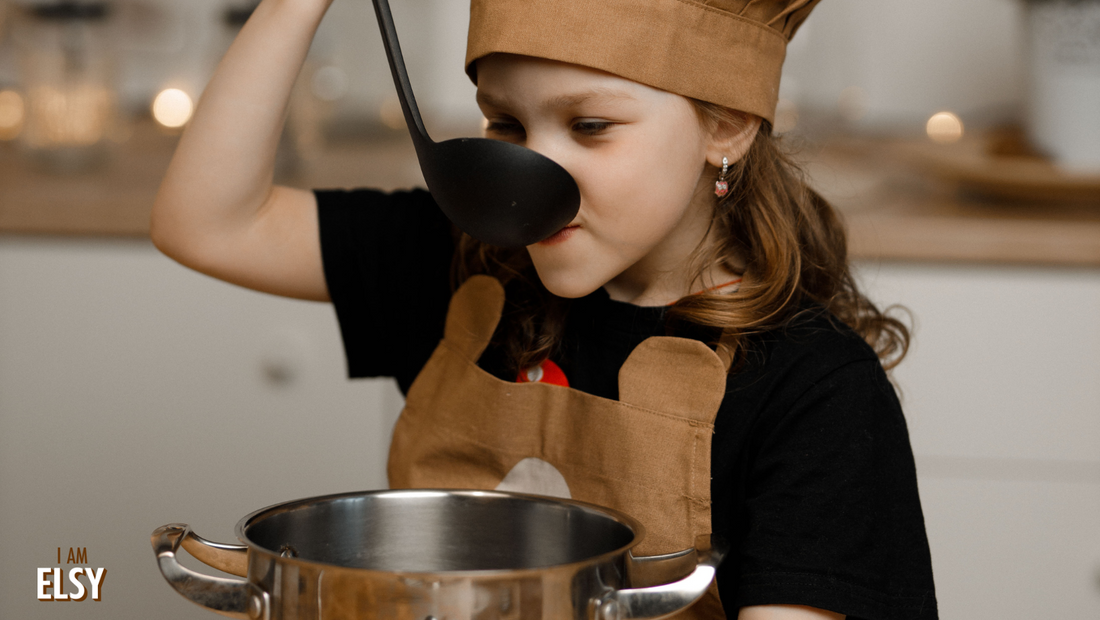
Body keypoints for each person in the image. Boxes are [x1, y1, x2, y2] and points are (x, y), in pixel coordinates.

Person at [151, 0, 938, 618]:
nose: (530, 172)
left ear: (724, 124)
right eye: (506, 123)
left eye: (589, 126)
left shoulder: (816, 393)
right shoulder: (462, 266)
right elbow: (207, 223)